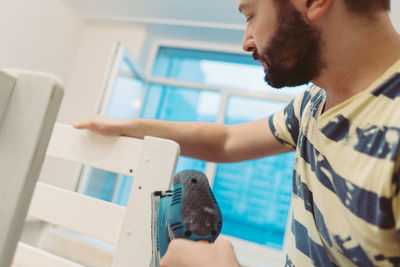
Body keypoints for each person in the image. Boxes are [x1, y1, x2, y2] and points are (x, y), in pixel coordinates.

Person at [75, 0, 400, 266]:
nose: (246, 41)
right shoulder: (313, 104)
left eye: (251, 15)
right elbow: (227, 141)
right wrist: (128, 127)